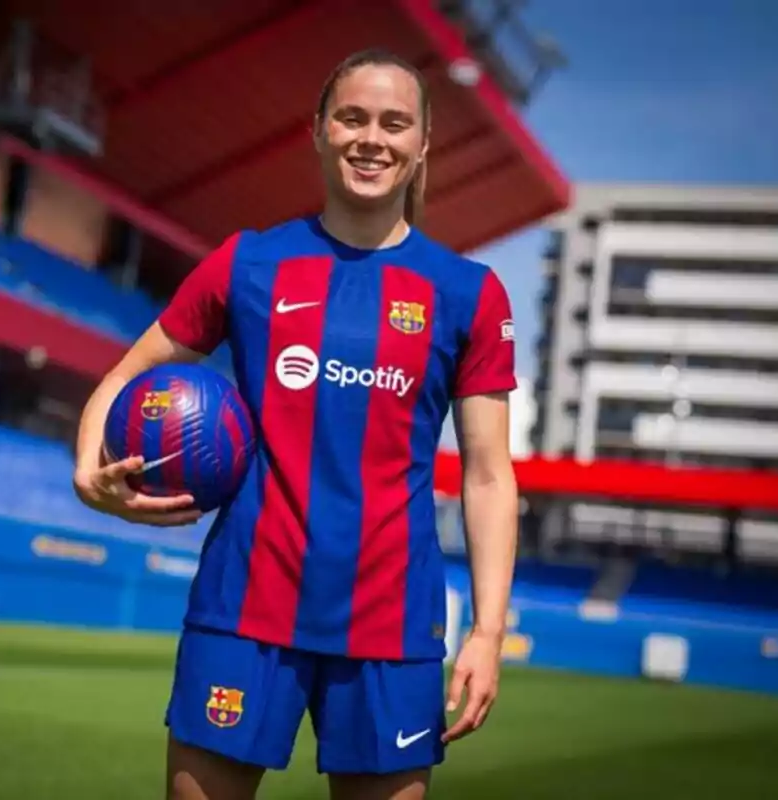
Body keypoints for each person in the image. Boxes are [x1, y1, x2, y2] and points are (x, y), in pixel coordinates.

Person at [73, 48, 518, 800]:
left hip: (393, 624)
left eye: (394, 123)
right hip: (243, 605)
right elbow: (123, 377)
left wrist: (487, 631)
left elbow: (488, 473)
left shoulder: (469, 293)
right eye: (351, 118)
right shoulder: (247, 264)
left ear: (423, 143)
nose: (371, 138)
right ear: (318, 131)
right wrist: (90, 476)